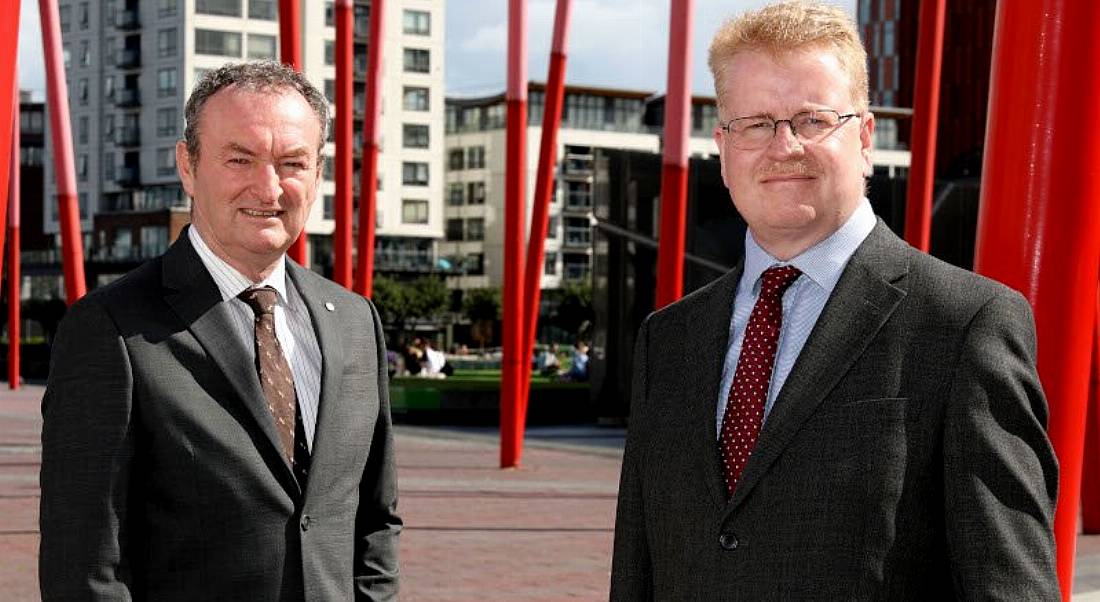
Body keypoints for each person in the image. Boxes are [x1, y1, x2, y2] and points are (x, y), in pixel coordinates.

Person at [610, 3, 1059, 599]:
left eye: (812, 119)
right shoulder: (668, 339)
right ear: (724, 147)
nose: (784, 146)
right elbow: (638, 573)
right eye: (756, 123)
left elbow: (1008, 585)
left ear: (866, 138)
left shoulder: (964, 325)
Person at [39, 62, 401, 601]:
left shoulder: (353, 320)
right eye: (240, 159)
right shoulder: (111, 328)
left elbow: (375, 521)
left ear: (319, 174)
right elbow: (85, 565)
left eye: (292, 163)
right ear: (188, 166)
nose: (269, 186)